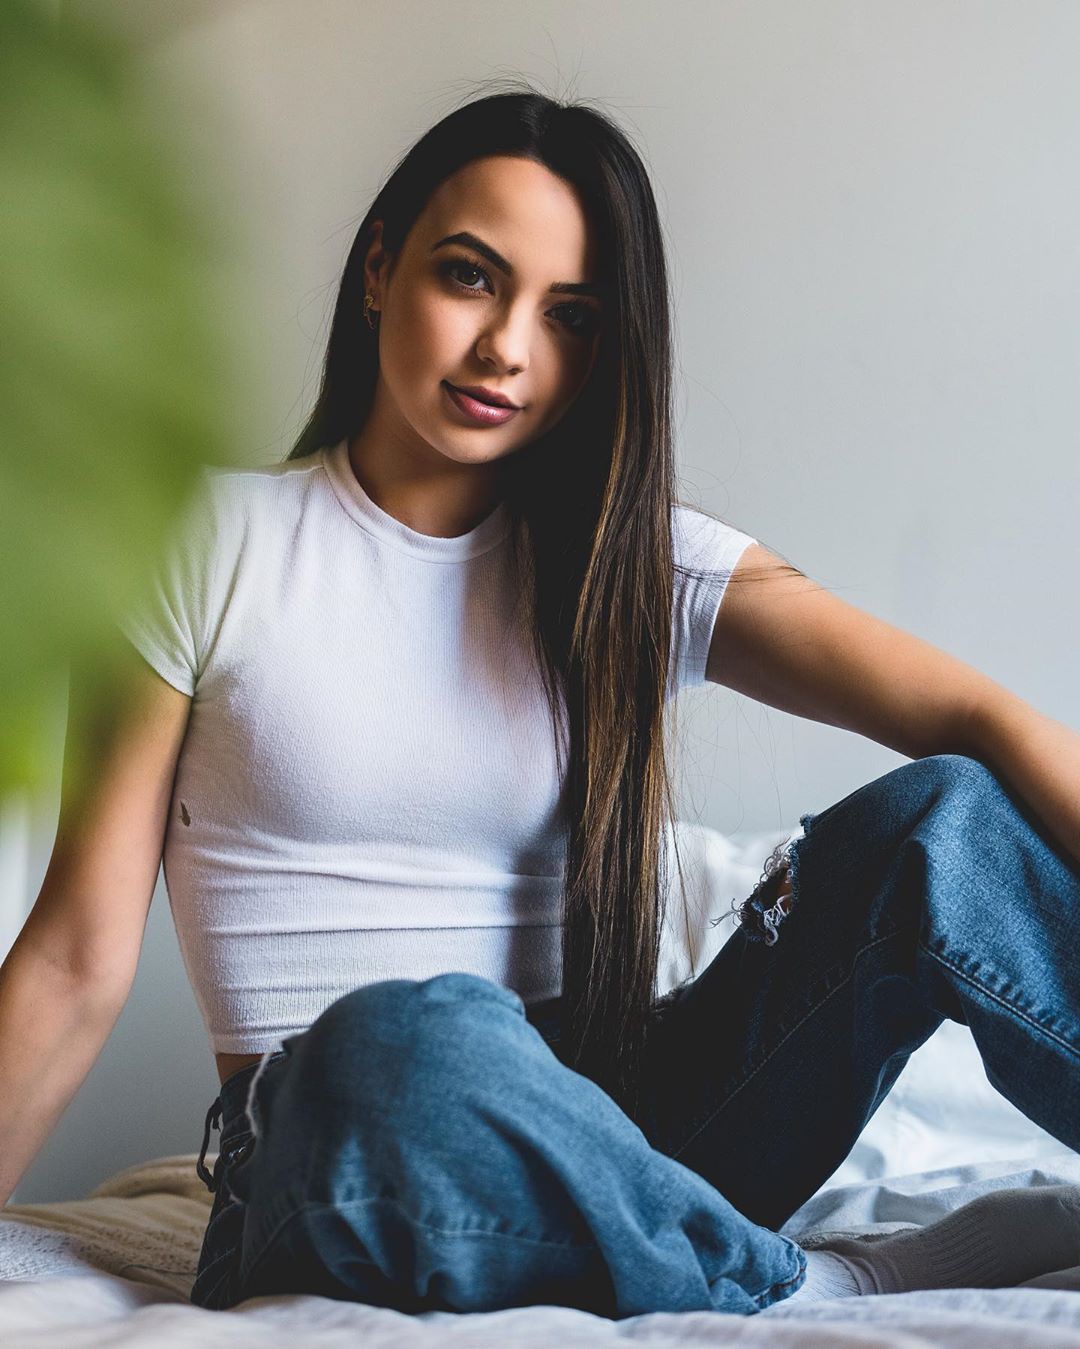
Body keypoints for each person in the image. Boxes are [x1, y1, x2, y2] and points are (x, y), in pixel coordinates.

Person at [3, 84, 1078, 1320]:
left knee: (941, 824)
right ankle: (813, 1277)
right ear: (377, 269)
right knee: (409, 1037)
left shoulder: (629, 565)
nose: (509, 347)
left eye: (568, 315)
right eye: (471, 276)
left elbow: (981, 721)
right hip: (348, 1129)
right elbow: (78, 956)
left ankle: (682, 1231)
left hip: (635, 1122)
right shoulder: (198, 544)